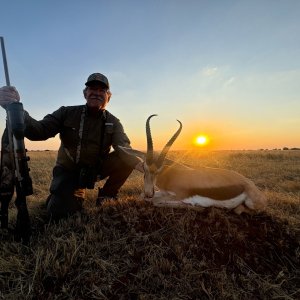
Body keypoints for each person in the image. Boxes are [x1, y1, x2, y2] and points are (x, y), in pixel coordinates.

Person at [0, 73, 142, 220]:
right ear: (85, 93)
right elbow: (39, 131)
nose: (97, 93)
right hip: (68, 172)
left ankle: (107, 196)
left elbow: (124, 148)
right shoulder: (66, 112)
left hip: (95, 170)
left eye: (102, 90)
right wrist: (17, 110)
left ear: (108, 97)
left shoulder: (114, 122)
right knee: (60, 214)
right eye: (92, 89)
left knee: (128, 158)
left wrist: (144, 166)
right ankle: (61, 195)